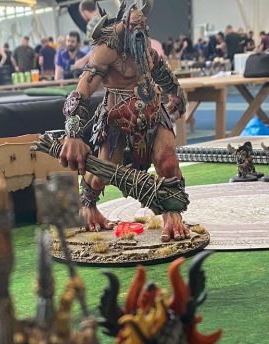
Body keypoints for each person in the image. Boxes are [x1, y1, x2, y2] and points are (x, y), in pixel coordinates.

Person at [59, 3, 190, 241]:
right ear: (125, 25)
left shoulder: (143, 44)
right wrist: (73, 134)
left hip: (153, 112)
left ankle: (172, 215)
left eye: (143, 26)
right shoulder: (106, 49)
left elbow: (159, 69)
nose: (140, 31)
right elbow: (82, 90)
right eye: (135, 26)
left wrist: (176, 93)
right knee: (103, 173)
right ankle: (87, 207)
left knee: (168, 161)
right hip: (118, 119)